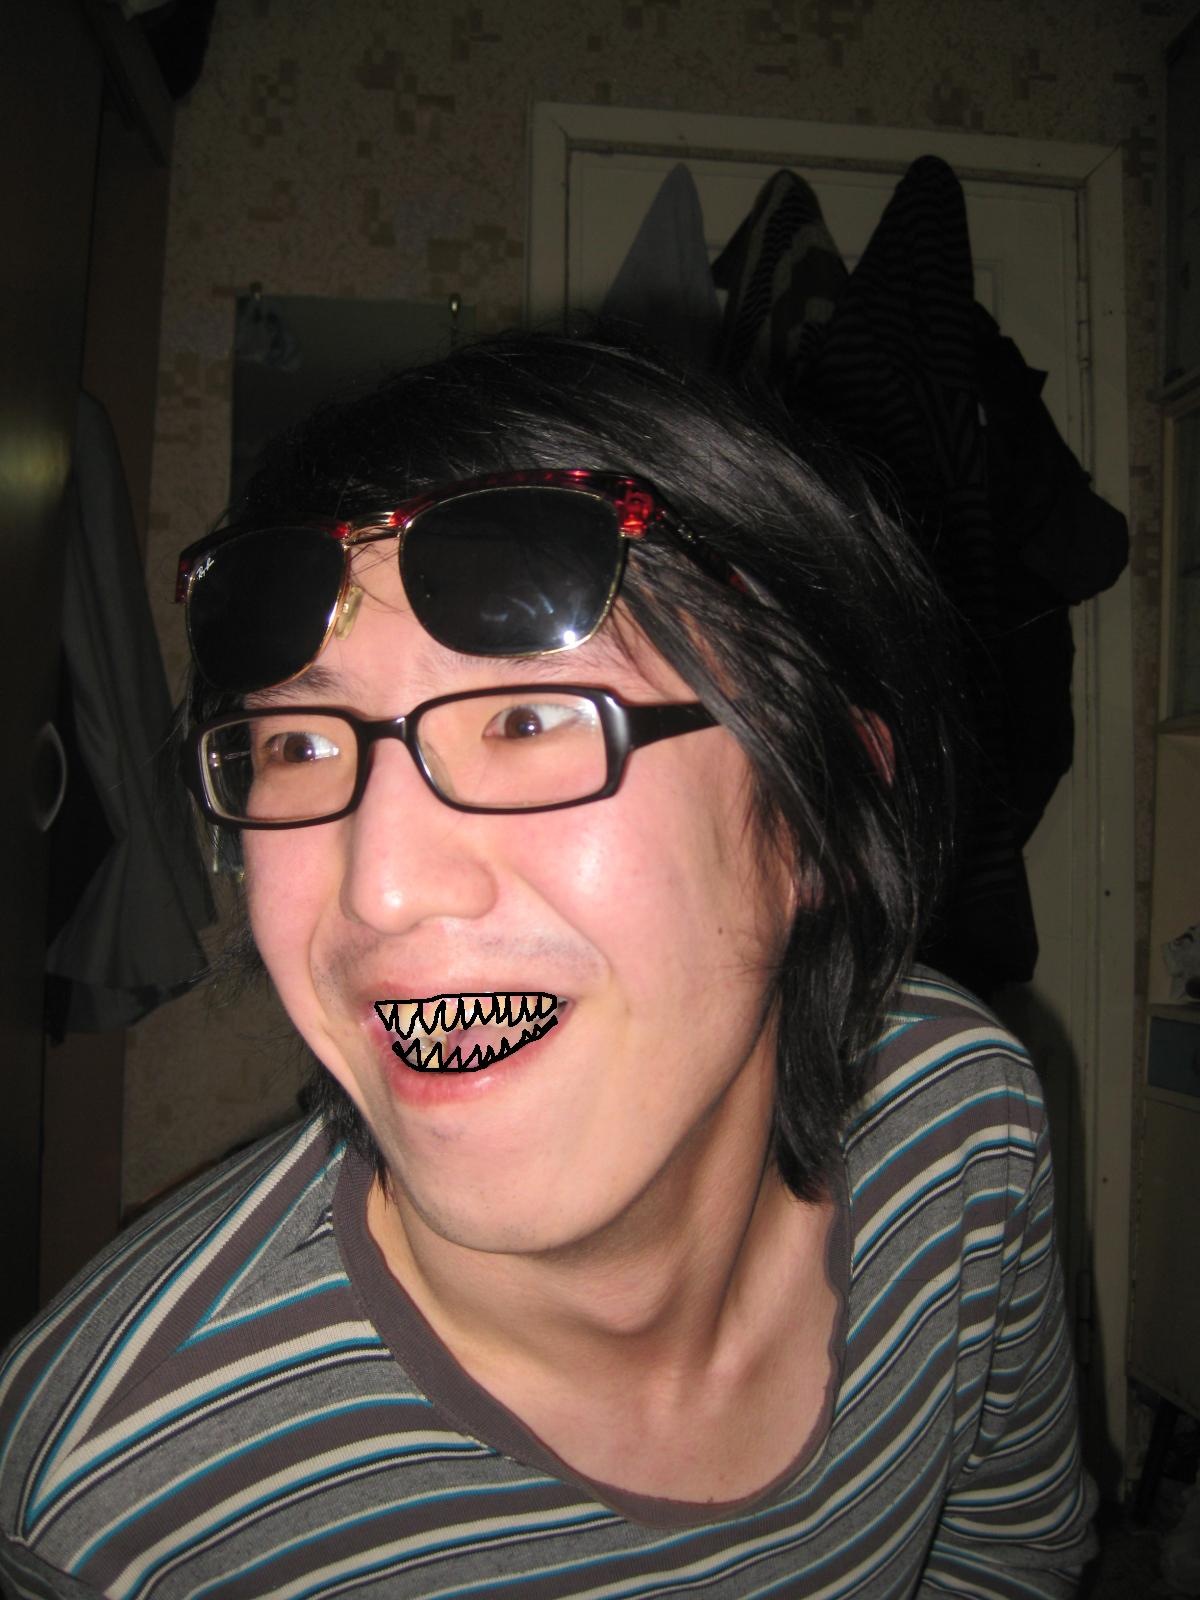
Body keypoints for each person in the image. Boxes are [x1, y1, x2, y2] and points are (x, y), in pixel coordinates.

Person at [0, 331, 1097, 1598]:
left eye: (525, 719)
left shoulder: (960, 1112)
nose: (381, 886)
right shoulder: (108, 1514)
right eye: (299, 744)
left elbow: (1005, 1556)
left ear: (821, 816)